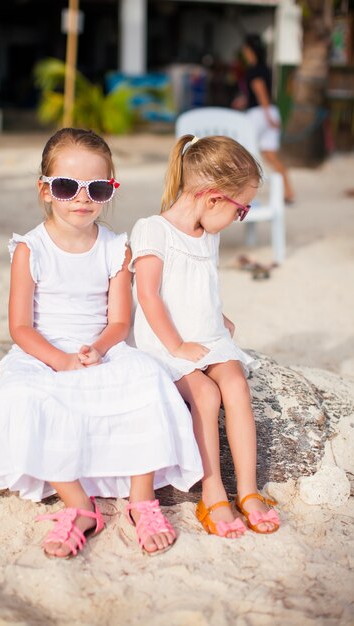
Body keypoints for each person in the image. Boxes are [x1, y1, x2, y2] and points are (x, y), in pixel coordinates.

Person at [0, 127, 203, 558]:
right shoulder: (29, 249)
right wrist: (59, 359)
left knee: (148, 384)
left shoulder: (115, 248)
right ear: (45, 190)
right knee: (23, 399)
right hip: (43, 350)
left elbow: (119, 319)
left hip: (102, 347)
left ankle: (141, 500)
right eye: (67, 186)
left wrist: (99, 348)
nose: (81, 197)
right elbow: (19, 326)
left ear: (112, 189)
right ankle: (79, 506)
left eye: (96, 188)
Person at [129, 134, 281, 538]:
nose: (239, 217)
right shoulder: (153, 230)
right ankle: (212, 491)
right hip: (167, 344)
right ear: (213, 198)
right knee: (207, 396)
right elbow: (148, 295)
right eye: (241, 209)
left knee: (235, 384)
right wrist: (177, 346)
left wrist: (219, 316)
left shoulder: (207, 233)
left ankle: (247, 490)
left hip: (206, 337)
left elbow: (194, 288)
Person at [235, 33, 295, 205]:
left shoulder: (253, 70)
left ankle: (242, 194)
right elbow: (261, 93)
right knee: (271, 155)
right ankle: (288, 192)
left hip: (259, 115)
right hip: (271, 112)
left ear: (249, 50)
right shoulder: (266, 69)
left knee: (244, 154)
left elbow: (260, 92)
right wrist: (247, 101)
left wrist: (266, 114)